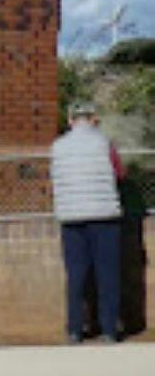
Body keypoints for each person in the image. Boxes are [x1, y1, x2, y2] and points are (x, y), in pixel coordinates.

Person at [52, 101, 124, 343]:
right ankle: (109, 329)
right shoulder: (104, 143)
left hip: (71, 218)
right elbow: (119, 174)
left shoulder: (57, 147)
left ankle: (75, 328)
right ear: (94, 119)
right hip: (104, 216)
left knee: (76, 275)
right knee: (108, 275)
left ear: (70, 120)